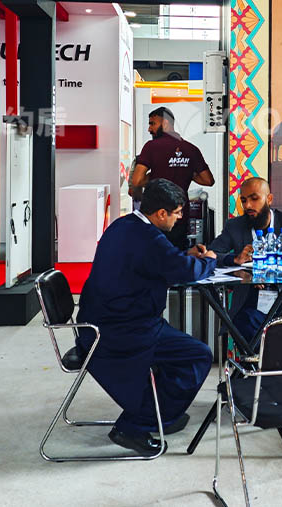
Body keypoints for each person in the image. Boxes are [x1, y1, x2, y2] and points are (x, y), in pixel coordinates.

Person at [76, 178, 216, 455]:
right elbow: (187, 272)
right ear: (161, 213)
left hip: (99, 321)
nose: (179, 218)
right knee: (198, 356)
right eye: (177, 213)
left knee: (181, 353)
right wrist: (209, 260)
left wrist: (184, 255)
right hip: (125, 329)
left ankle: (160, 413)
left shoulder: (123, 225)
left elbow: (157, 261)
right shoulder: (150, 239)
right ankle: (135, 425)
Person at [210, 177, 282, 342]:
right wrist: (236, 259)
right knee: (245, 327)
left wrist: (271, 258)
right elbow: (211, 253)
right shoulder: (235, 226)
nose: (248, 205)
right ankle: (257, 358)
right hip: (251, 302)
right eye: (243, 200)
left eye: (254, 199)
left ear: (269, 199)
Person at [128, 107, 214, 248]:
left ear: (165, 123)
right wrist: (185, 171)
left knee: (153, 254)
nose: (149, 129)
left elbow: (136, 180)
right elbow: (208, 180)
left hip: (155, 216)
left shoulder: (151, 147)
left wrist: (156, 174)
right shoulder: (191, 149)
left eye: (152, 124)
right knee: (177, 254)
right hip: (179, 215)